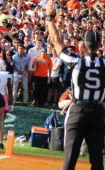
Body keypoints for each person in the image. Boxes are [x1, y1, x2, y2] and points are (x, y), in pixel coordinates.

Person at [46, 0, 105, 169]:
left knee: (70, 159)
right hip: (98, 112)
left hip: (78, 110)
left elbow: (57, 42)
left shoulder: (76, 61)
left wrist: (50, 18)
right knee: (97, 162)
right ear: (100, 45)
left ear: (82, 46)